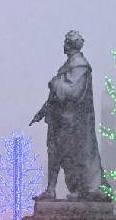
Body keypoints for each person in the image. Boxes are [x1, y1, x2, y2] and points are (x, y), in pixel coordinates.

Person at [29, 30, 110, 201]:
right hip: (59, 118)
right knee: (55, 152)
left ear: (70, 44)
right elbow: (54, 97)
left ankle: (80, 188)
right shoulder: (70, 64)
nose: (63, 45)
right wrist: (43, 111)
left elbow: (72, 92)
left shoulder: (80, 65)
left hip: (71, 121)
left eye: (66, 42)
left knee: (70, 155)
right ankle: (51, 189)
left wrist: (54, 83)